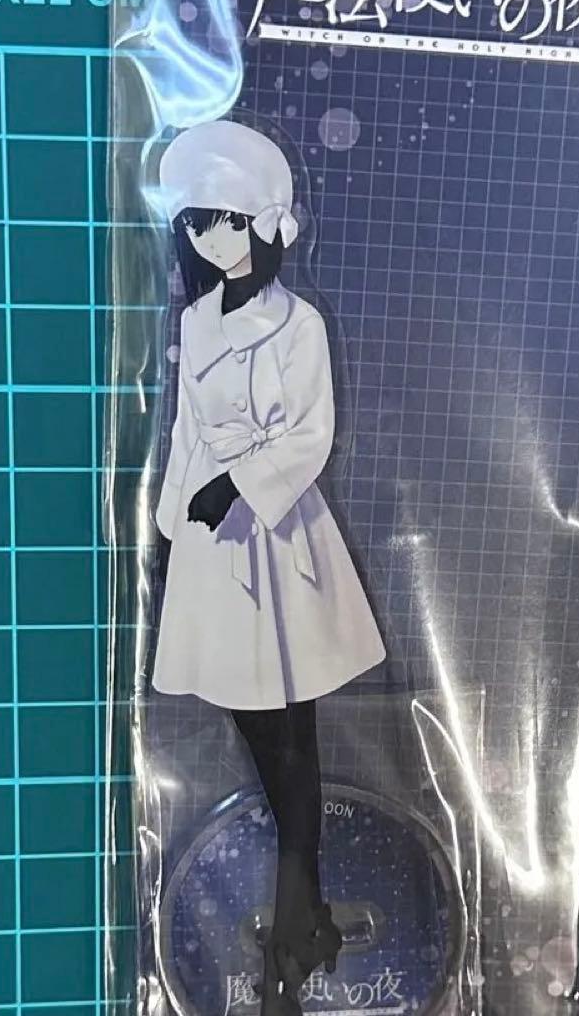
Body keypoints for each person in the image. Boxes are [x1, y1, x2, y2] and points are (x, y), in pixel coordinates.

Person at [152, 120, 386, 1014]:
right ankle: (305, 907)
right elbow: (186, 430)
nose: (212, 239)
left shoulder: (301, 325)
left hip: (281, 546)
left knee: (290, 727)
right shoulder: (195, 321)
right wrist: (172, 517)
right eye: (197, 225)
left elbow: (310, 435)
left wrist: (238, 487)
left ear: (261, 223)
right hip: (213, 546)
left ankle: (300, 905)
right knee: (258, 725)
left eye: (225, 221)